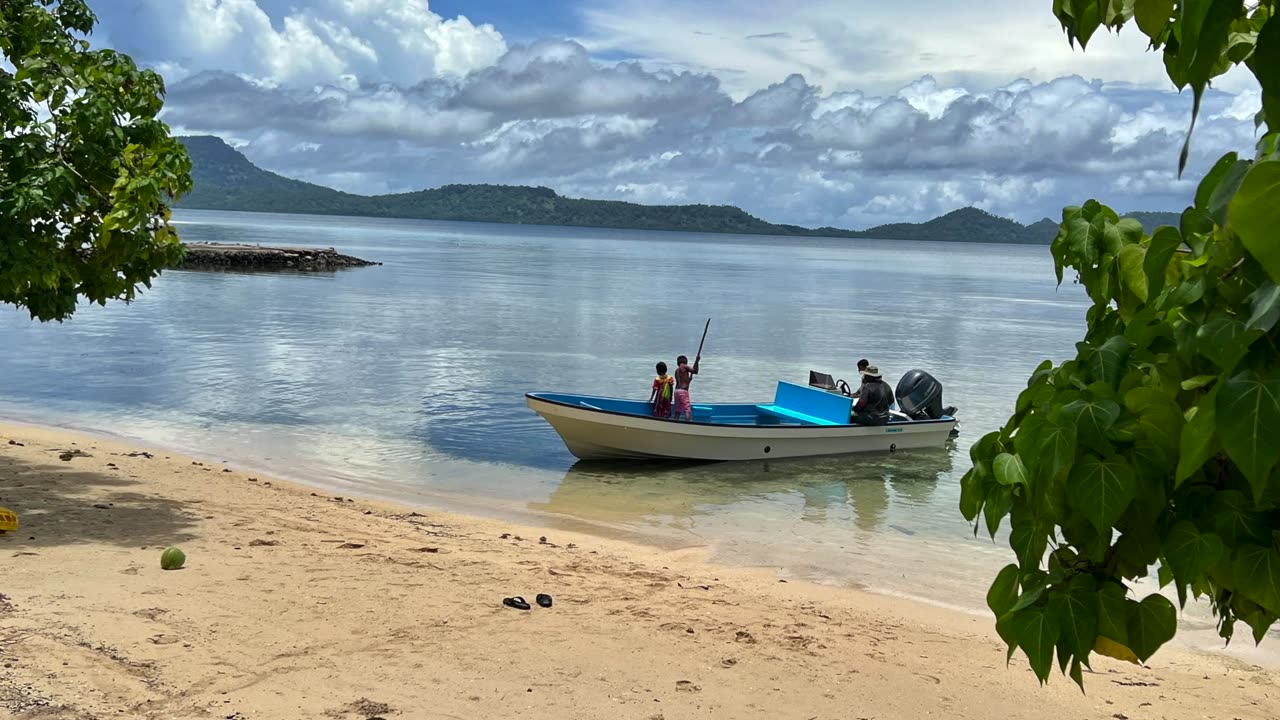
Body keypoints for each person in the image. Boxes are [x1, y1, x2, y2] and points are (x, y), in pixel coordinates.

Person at [673, 354, 701, 421]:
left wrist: (689, 380)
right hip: (683, 391)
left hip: (676, 391)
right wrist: (697, 361)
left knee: (678, 410)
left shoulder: (676, 370)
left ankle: (675, 422)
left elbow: (683, 382)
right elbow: (695, 371)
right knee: (687, 409)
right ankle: (688, 423)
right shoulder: (684, 366)